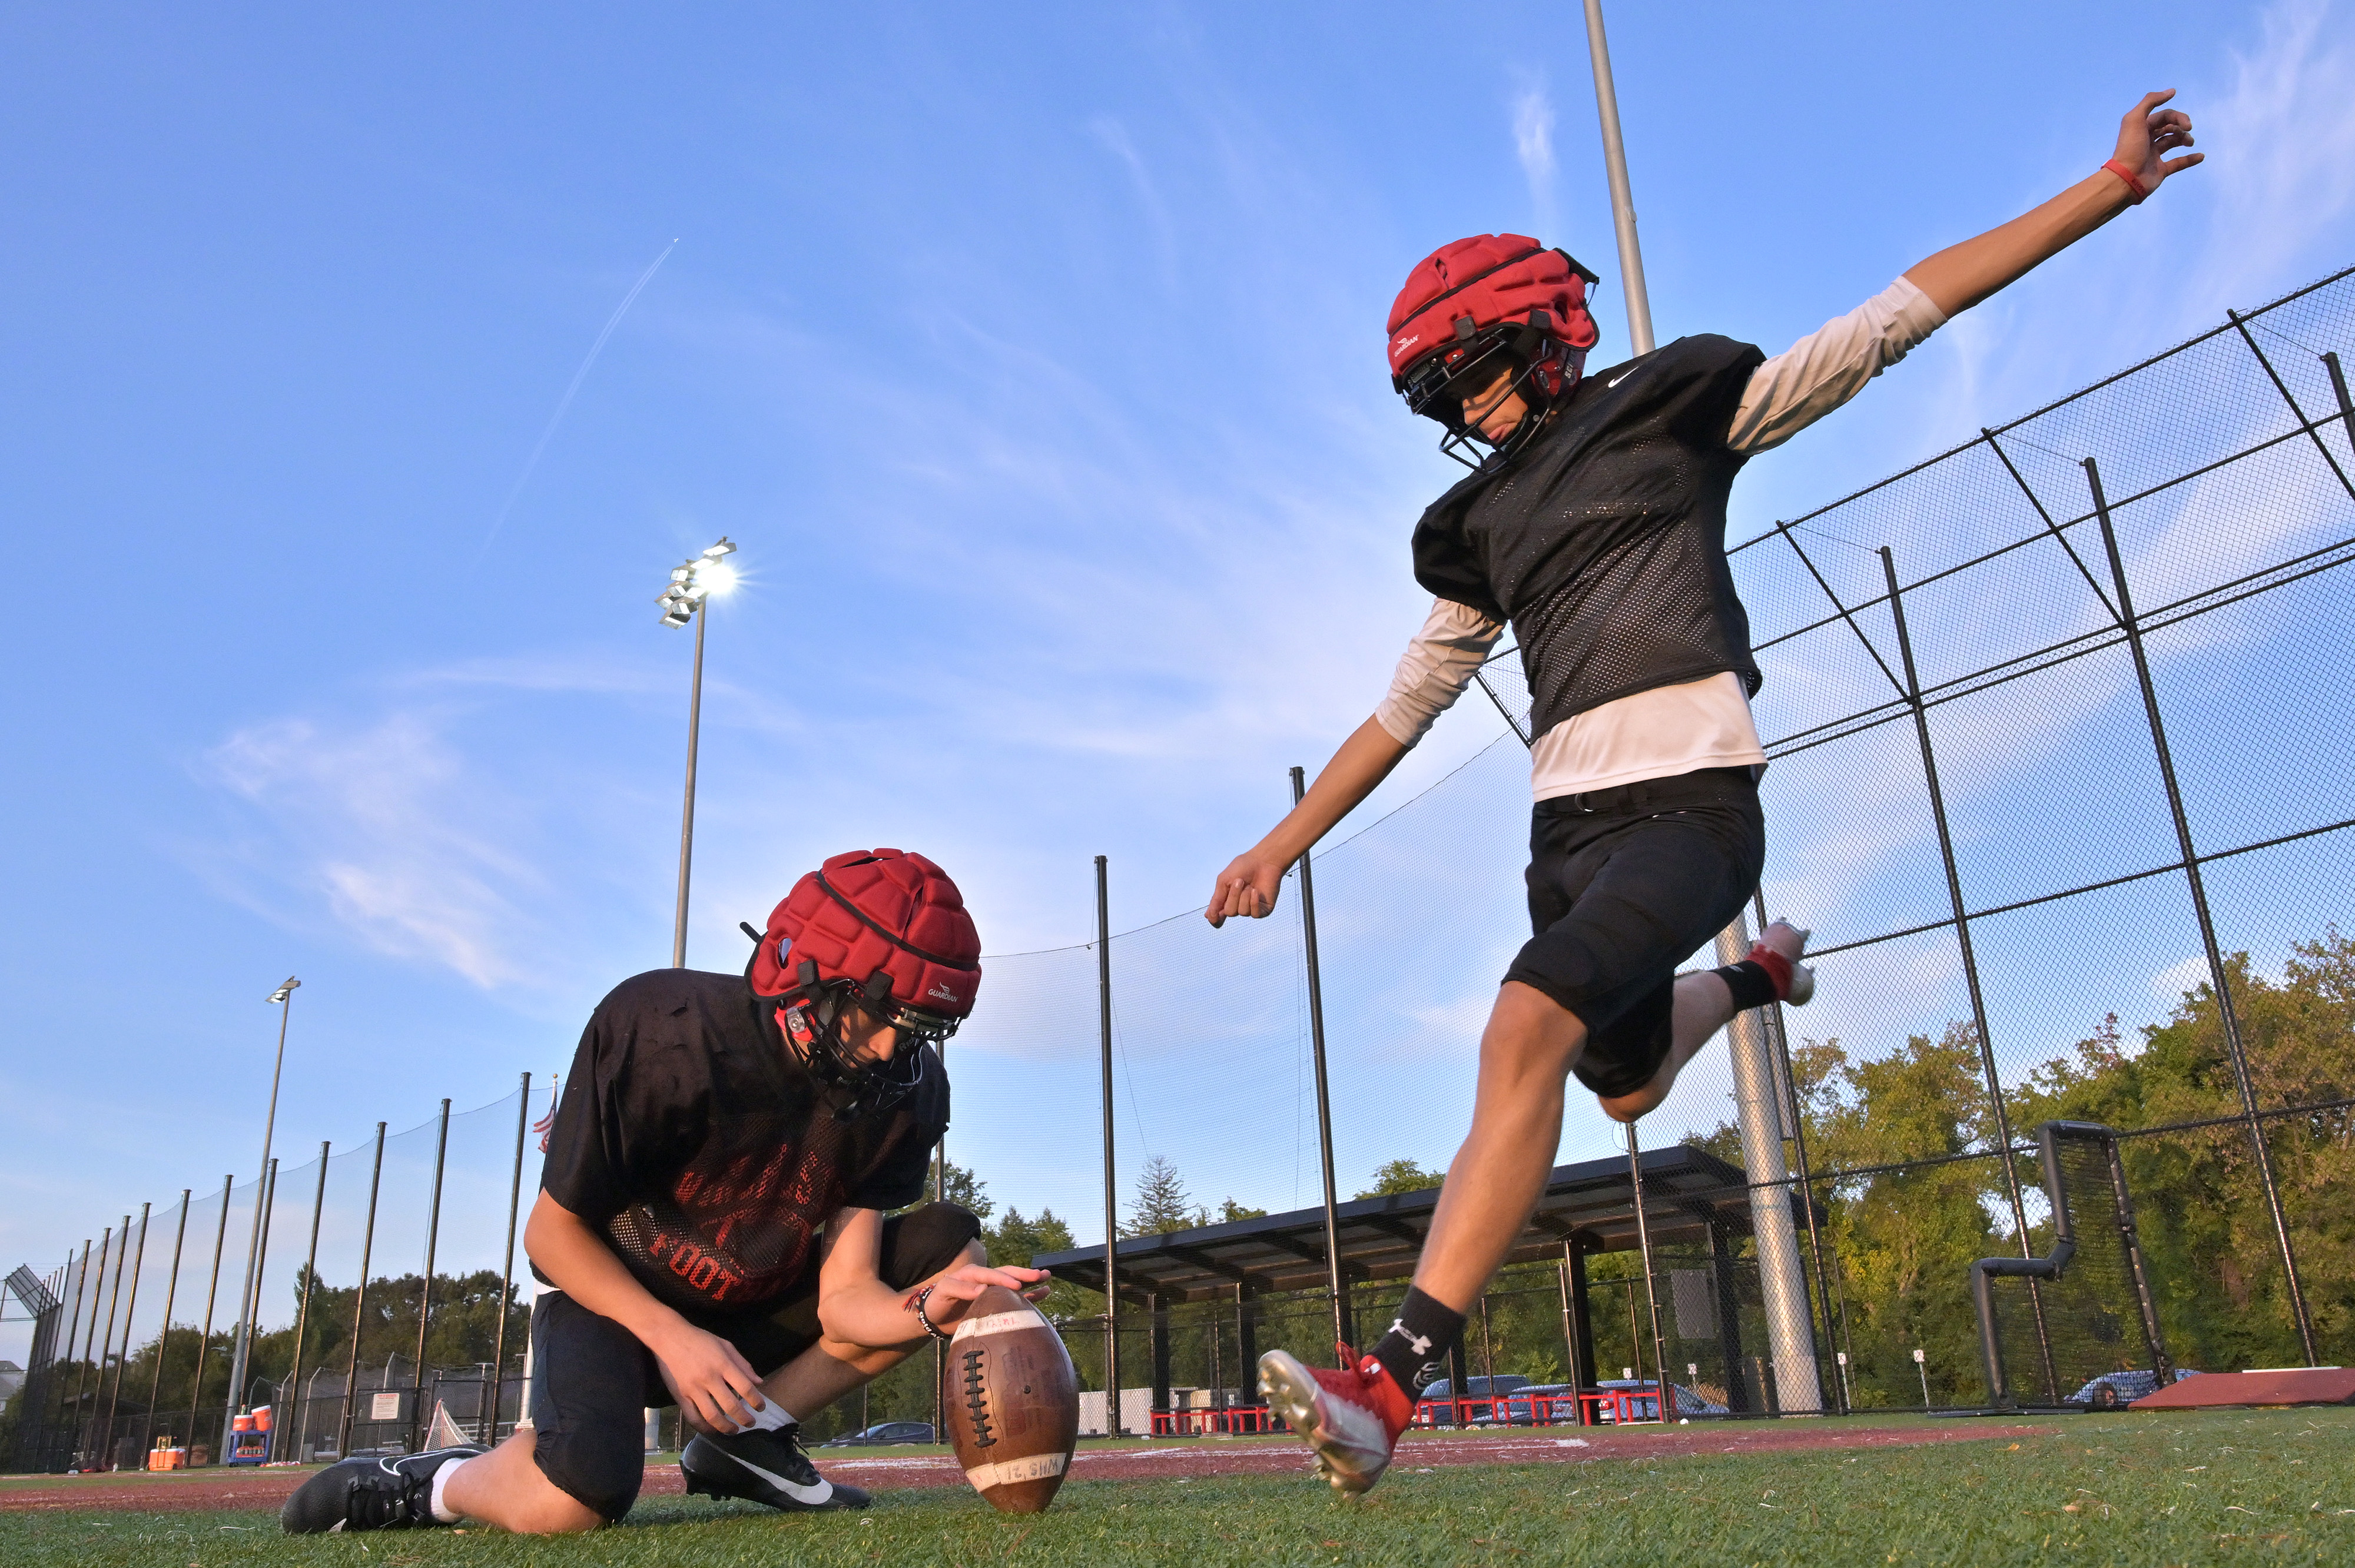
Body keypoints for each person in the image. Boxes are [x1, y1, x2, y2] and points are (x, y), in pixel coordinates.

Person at [1209, 92, 2203, 1496]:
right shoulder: (1477, 522)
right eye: (1441, 397)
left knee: (1517, 1033)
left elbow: (1884, 323)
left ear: (1549, 337)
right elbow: (1407, 703)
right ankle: (1756, 984)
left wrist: (2103, 190)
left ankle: (1387, 1382)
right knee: (1617, 1086)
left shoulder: (1668, 409)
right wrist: (1282, 840)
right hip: (1563, 832)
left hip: (1690, 810)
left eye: (1475, 372)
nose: (1465, 409)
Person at [281, 848, 1047, 1534]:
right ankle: (430, 1483)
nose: (887, 1048)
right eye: (873, 1015)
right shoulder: (665, 1032)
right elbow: (551, 1237)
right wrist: (672, 1336)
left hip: (752, 1317)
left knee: (953, 1253)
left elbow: (845, 1297)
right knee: (573, 1503)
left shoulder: (905, 1096)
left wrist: (925, 1310)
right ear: (805, 970)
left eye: (912, 1027)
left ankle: (743, 1440)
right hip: (614, 1305)